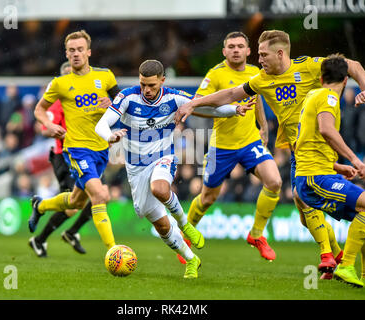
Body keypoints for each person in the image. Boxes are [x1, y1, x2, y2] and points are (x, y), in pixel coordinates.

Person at [175, 29, 365, 279]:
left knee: (291, 190)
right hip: (261, 147)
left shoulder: (309, 67)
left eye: (263, 54)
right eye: (257, 54)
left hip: (306, 148)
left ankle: (330, 257)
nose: (260, 59)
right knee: (299, 211)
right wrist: (193, 103)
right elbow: (231, 94)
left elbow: (351, 65)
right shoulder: (256, 78)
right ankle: (336, 256)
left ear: (280, 53)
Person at [95, 60, 250, 278]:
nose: (147, 90)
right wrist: (110, 136)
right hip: (136, 169)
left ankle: (186, 225)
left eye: (152, 85)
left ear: (162, 80)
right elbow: (101, 124)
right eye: (143, 85)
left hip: (163, 157)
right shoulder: (127, 97)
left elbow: (204, 107)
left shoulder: (173, 97)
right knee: (161, 226)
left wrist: (234, 109)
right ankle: (191, 260)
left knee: (160, 188)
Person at [186, 32, 282, 262]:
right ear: (224, 51)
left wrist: (262, 126)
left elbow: (256, 97)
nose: (236, 49)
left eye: (240, 46)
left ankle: (257, 235)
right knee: (208, 198)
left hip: (250, 141)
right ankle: (186, 232)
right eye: (231, 46)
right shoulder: (216, 74)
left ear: (249, 51)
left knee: (275, 182)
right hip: (222, 147)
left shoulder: (255, 72)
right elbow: (196, 105)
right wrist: (227, 109)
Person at [29, 30, 121, 254]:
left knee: (76, 202)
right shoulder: (60, 83)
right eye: (71, 50)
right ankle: (114, 251)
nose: (76, 54)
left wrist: (112, 109)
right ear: (67, 54)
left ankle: (40, 205)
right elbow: (39, 110)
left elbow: (122, 105)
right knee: (99, 195)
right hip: (77, 149)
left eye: (80, 49)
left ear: (89, 52)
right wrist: (49, 126)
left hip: (100, 149)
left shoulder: (106, 77)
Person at [295, 54, 365, 288]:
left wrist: (338, 165)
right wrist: (355, 159)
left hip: (315, 174)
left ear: (320, 78)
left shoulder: (313, 94)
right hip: (315, 177)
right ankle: (346, 265)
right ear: (345, 81)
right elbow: (326, 130)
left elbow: (303, 143)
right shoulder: (328, 98)